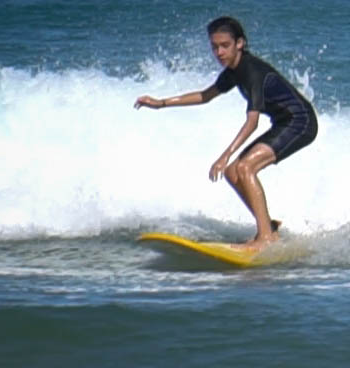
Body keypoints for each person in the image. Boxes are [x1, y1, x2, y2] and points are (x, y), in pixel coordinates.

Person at [135, 16, 318, 250]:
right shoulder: (233, 71)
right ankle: (268, 227)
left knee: (243, 167)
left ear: (239, 43)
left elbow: (252, 122)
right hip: (283, 122)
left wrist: (225, 155)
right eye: (214, 47)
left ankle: (265, 238)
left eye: (225, 46)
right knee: (234, 172)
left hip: (300, 122)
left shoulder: (252, 72)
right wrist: (161, 103)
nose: (219, 52)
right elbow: (205, 95)